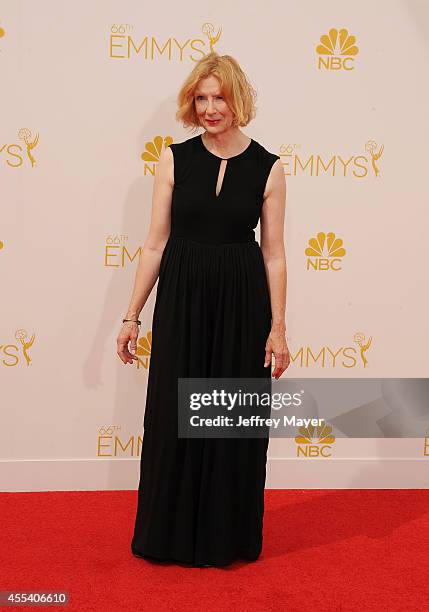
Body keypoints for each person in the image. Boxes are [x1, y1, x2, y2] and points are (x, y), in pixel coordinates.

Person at [117, 51, 290, 568]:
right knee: (175, 415)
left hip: (242, 302)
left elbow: (275, 254)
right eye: (202, 97)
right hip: (184, 298)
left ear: (239, 100)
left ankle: (224, 538)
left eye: (220, 97)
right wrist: (131, 316)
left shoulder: (269, 167)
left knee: (229, 420)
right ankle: (168, 537)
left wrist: (278, 328)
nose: (211, 108)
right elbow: (154, 244)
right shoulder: (174, 158)